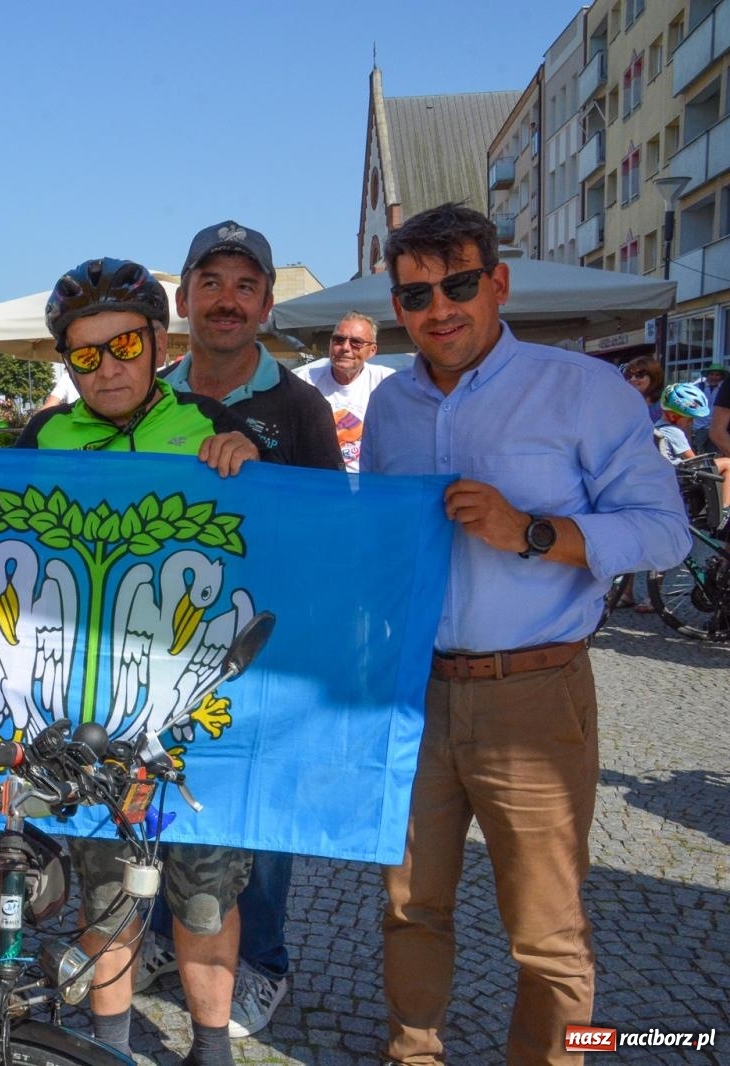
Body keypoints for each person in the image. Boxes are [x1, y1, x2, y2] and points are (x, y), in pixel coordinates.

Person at [362, 203, 689, 1066]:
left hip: (535, 694)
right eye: (416, 294)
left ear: (498, 283)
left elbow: (666, 532)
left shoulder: (582, 389)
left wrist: (535, 532)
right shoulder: (390, 408)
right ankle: (413, 1053)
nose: (440, 308)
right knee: (408, 906)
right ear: (398, 305)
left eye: (459, 285)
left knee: (547, 932)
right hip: (418, 691)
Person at [19, 258, 263, 1066]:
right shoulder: (42, 437)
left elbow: (280, 552)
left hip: (195, 715)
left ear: (161, 342)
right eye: (83, 354)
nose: (106, 366)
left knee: (202, 899)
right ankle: (114, 1051)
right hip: (90, 714)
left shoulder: (212, 426)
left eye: (123, 344)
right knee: (108, 896)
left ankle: (211, 1050)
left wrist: (255, 475)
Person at [154, 220, 343, 1039]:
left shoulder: (299, 404)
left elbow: (335, 525)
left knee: (259, 808)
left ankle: (261, 961)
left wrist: (265, 485)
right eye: (211, 282)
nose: (226, 300)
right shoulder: (148, 391)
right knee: (168, 792)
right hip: (160, 640)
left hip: (261, 648)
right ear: (185, 297)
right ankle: (180, 939)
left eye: (244, 285)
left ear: (266, 303)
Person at [291, 311, 393, 472]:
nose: (345, 348)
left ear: (372, 350)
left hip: (371, 485)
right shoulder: (303, 381)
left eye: (356, 342)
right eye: (338, 340)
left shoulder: (387, 382)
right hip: (319, 482)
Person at [655, 382, 730, 534]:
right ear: (673, 415)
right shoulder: (674, 431)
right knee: (728, 464)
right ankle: (725, 510)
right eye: (689, 419)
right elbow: (693, 459)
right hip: (684, 475)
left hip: (674, 473)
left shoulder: (658, 426)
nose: (691, 422)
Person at [623, 355, 664, 423]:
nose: (632, 379)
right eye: (629, 375)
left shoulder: (664, 409)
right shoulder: (625, 406)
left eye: (639, 375)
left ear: (654, 377)